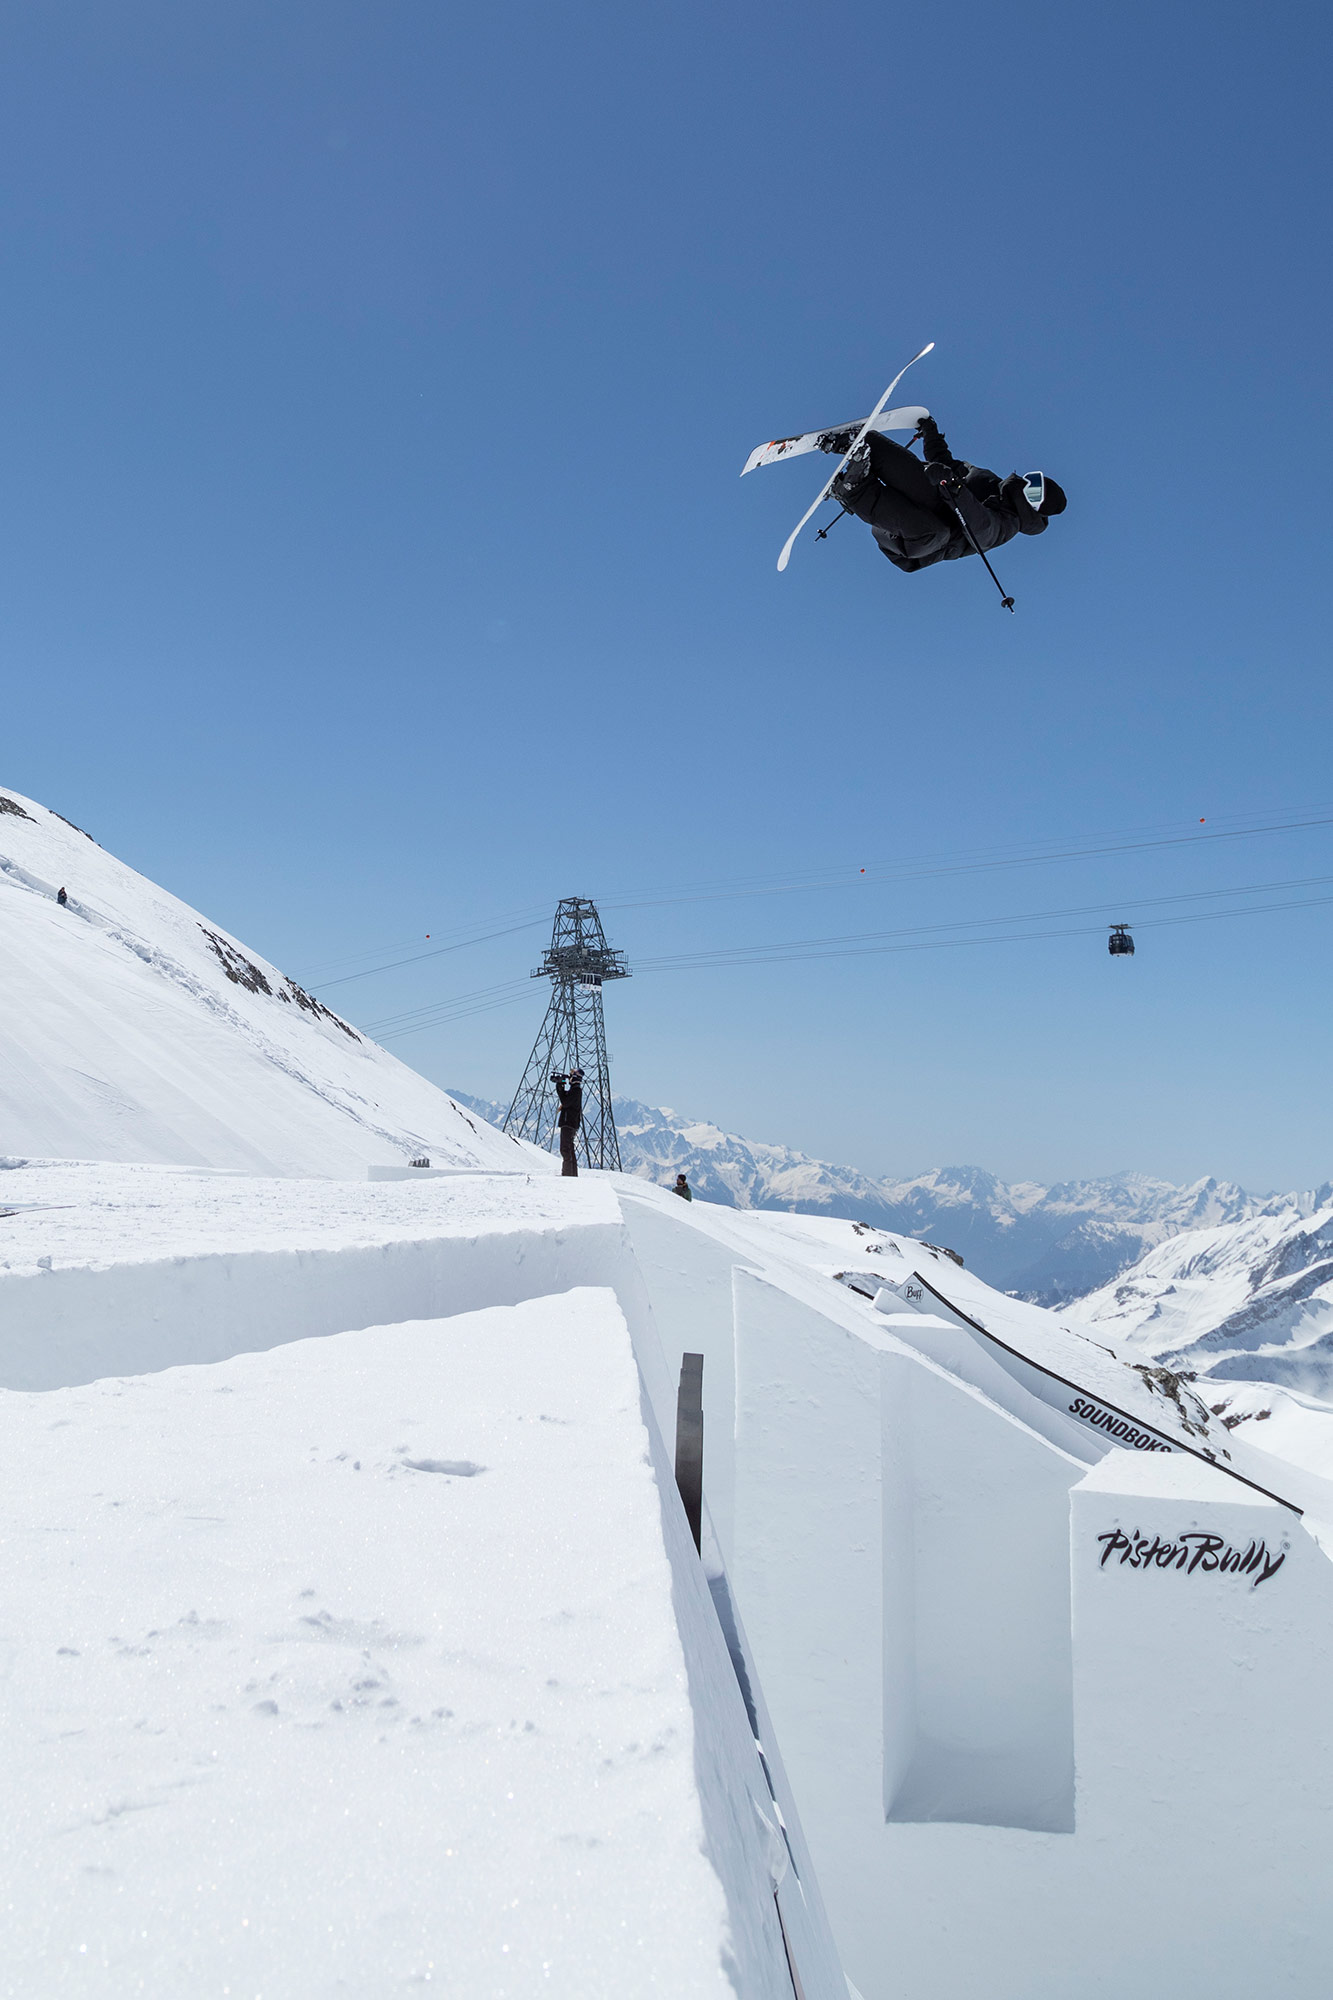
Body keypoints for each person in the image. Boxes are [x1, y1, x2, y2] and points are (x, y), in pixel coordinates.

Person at [822, 417, 1065, 575]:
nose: (1027, 486)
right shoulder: (990, 480)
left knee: (939, 531)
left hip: (911, 540)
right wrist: (932, 434)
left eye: (1034, 492)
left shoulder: (1007, 526)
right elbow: (946, 463)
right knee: (922, 473)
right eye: (1033, 480)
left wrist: (953, 485)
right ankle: (864, 444)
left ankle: (853, 489)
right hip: (932, 502)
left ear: (1035, 507)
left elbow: (980, 525)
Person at [552, 1068, 584, 1177]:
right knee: (569, 1148)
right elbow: (565, 1098)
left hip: (569, 1123)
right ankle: (572, 1174)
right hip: (570, 1123)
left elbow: (565, 1102)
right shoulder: (575, 1090)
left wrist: (560, 1085)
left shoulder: (576, 1091)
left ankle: (567, 1174)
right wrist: (559, 1085)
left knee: (565, 1149)